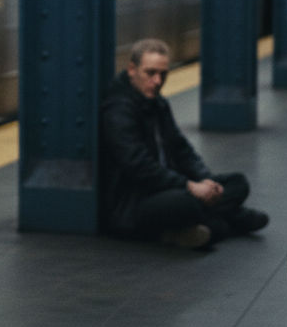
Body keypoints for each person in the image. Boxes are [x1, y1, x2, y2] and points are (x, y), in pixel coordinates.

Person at [99, 39, 269, 249]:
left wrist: (205, 180)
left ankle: (196, 227)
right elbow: (139, 166)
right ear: (132, 70)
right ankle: (231, 221)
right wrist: (189, 186)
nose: (157, 81)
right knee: (186, 203)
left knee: (237, 183)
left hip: (168, 187)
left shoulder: (158, 103)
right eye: (150, 73)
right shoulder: (118, 109)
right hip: (134, 203)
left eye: (163, 74)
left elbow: (182, 149)